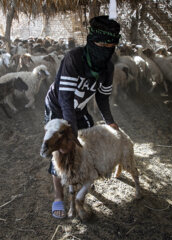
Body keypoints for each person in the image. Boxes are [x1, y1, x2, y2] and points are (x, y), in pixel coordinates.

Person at [43, 15, 121, 219]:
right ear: (90, 41)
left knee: (86, 141)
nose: (105, 48)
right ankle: (58, 196)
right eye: (101, 43)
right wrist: (71, 135)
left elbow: (103, 98)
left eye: (110, 44)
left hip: (78, 108)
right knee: (60, 150)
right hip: (58, 105)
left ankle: (83, 178)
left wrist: (110, 120)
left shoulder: (108, 67)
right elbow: (66, 99)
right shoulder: (74, 58)